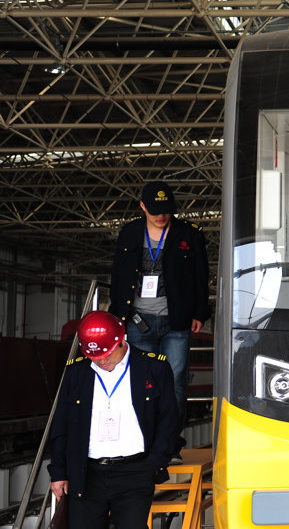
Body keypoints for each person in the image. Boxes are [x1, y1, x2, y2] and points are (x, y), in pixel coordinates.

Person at [48, 310, 178, 529]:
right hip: (86, 474)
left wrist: (154, 464)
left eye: (107, 354)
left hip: (135, 472)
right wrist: (59, 472)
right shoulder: (76, 373)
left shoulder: (153, 368)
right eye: (94, 357)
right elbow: (61, 424)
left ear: (121, 340)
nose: (101, 361)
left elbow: (168, 419)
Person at [109, 180, 210, 453]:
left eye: (165, 210)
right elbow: (118, 275)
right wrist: (117, 312)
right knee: (141, 382)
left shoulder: (190, 234)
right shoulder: (129, 233)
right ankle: (143, 440)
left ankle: (169, 443)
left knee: (175, 382)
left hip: (175, 321)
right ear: (142, 206)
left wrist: (201, 311)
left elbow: (202, 276)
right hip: (137, 320)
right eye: (154, 210)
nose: (160, 215)